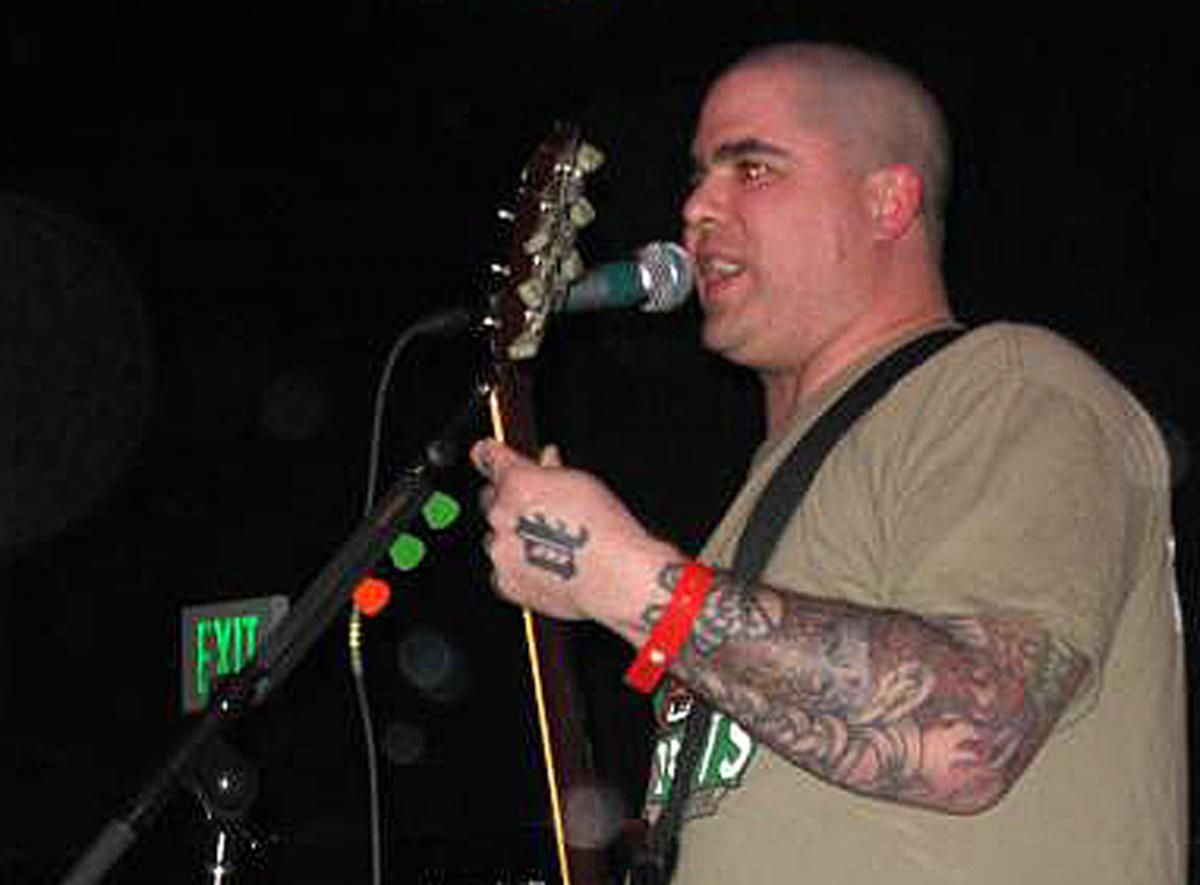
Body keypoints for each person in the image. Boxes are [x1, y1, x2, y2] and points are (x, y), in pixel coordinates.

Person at [471, 42, 1186, 884]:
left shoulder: (1012, 388)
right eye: (699, 175)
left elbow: (971, 731)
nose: (697, 206)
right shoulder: (758, 509)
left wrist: (625, 577)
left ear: (888, 202)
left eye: (753, 170)